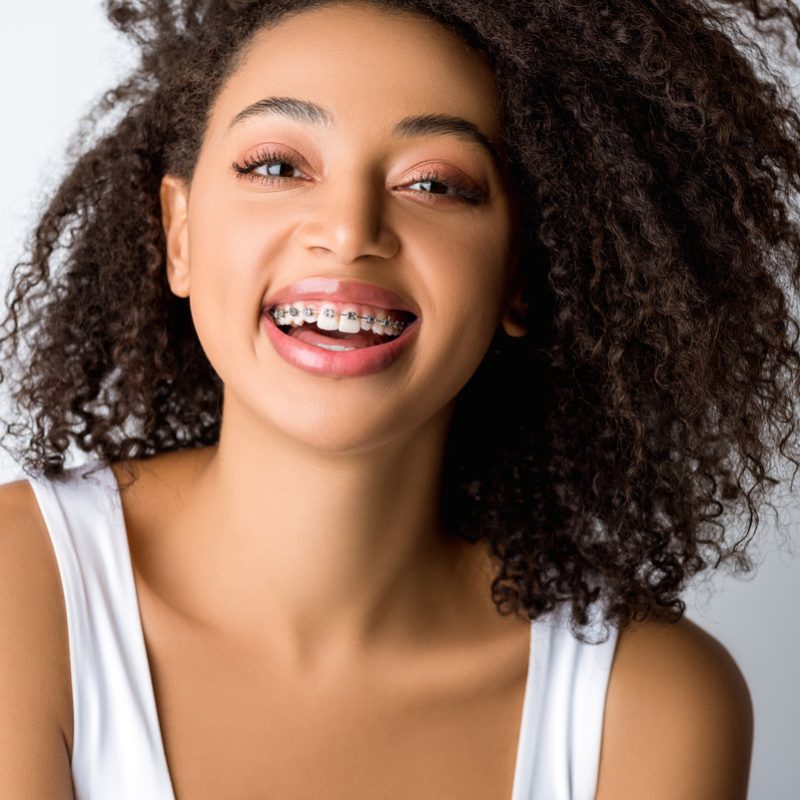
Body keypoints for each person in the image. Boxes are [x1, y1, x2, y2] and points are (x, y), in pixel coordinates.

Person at [10, 0, 800, 796]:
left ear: (521, 274)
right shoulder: (21, 587)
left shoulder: (649, 707)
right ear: (179, 235)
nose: (350, 229)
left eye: (435, 183)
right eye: (279, 166)